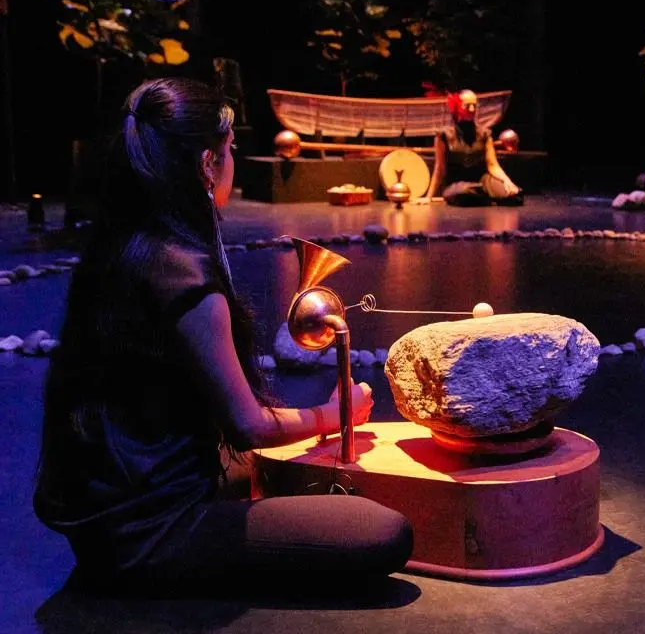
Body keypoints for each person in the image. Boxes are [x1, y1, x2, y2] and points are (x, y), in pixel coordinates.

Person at [33, 78, 413, 595]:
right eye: (230, 149)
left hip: (109, 513)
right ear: (208, 164)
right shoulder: (182, 273)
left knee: (266, 475)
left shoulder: (123, 246)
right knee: (384, 531)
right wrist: (335, 414)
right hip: (154, 531)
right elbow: (246, 425)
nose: (234, 160)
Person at [421, 89, 523, 206]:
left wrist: (508, 182)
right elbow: (439, 169)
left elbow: (493, 165)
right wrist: (429, 197)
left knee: (512, 194)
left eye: (474, 105)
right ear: (457, 107)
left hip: (482, 181)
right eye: (467, 106)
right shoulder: (443, 135)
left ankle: (483, 195)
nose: (472, 109)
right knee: (464, 192)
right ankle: (484, 195)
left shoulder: (484, 134)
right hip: (456, 184)